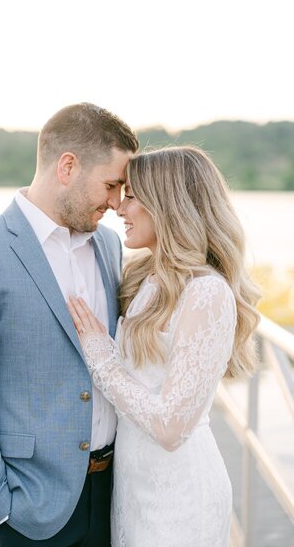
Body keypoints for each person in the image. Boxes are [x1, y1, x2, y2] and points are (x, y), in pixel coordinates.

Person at [0, 102, 139, 547]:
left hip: (113, 495)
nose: (116, 201)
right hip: (27, 511)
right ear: (67, 166)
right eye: (111, 184)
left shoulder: (107, 245)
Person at [68, 145, 260, 547]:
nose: (120, 208)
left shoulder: (206, 292)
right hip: (133, 488)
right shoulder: (145, 278)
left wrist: (102, 360)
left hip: (179, 500)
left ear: (168, 204)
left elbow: (172, 428)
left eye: (133, 196)